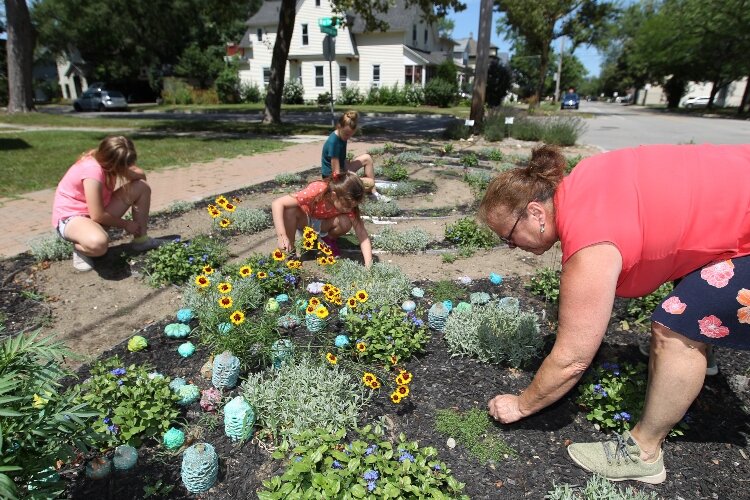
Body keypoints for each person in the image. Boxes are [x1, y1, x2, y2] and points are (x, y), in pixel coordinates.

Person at [478, 143, 750, 484]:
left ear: (536, 213)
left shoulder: (591, 241)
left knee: (676, 325)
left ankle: (644, 453)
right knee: (699, 286)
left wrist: (522, 404)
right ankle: (699, 361)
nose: (512, 246)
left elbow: (572, 360)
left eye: (509, 237)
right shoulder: (586, 177)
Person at [52, 136, 165, 272]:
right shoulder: (92, 171)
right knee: (98, 245)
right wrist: (126, 224)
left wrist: (127, 170)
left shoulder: (107, 163)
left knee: (141, 187)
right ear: (112, 162)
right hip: (72, 218)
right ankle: (80, 247)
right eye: (123, 165)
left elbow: (140, 175)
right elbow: (98, 216)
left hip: (96, 212)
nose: (126, 168)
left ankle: (141, 241)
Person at [271, 172, 373, 268]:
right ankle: (290, 251)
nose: (349, 209)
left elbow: (362, 234)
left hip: (324, 224)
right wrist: (282, 236)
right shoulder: (317, 190)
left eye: (353, 206)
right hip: (305, 220)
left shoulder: (349, 203)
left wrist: (369, 265)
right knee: (290, 210)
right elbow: (277, 203)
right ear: (334, 195)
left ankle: (326, 241)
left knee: (346, 221)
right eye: (346, 206)